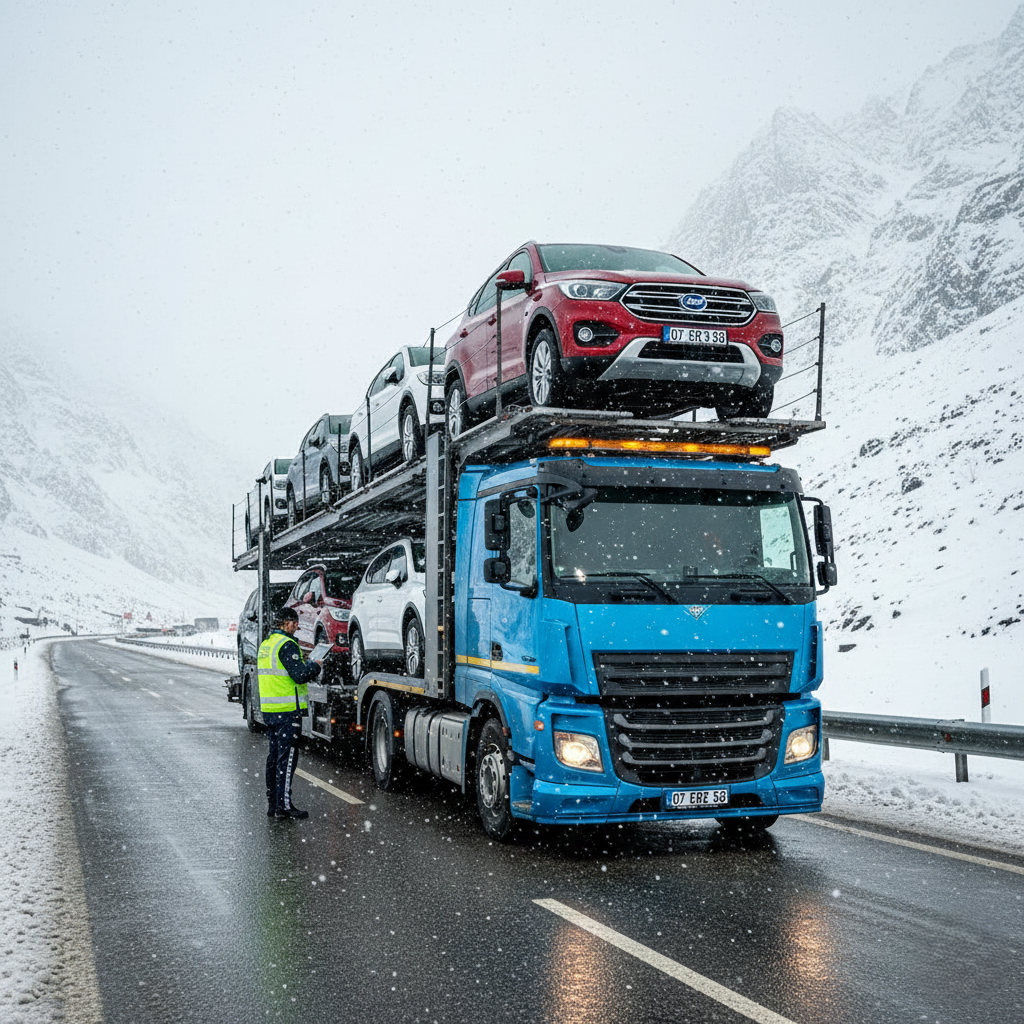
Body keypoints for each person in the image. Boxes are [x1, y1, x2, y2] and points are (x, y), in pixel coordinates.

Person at [257, 607, 321, 819]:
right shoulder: (287, 645)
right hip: (287, 712)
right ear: (286, 623)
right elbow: (299, 675)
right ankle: (284, 806)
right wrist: (314, 665)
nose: (297, 627)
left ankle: (273, 804)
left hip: (270, 710)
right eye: (295, 623)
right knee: (287, 759)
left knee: (274, 758)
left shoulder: (266, 645)